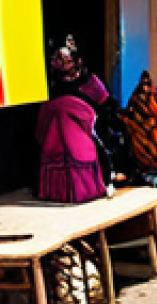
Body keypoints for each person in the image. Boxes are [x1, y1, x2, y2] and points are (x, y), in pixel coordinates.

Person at [36, 44, 109, 203]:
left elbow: (104, 102)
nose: (62, 64)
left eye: (66, 60)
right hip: (57, 134)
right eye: (59, 60)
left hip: (83, 130)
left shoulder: (88, 82)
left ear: (77, 61)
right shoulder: (52, 85)